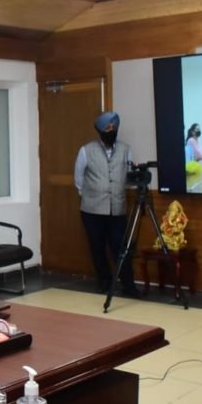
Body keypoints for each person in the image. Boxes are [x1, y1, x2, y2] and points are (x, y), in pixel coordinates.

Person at [73, 112, 140, 297]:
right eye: (107, 128)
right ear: (100, 131)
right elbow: (78, 178)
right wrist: (91, 195)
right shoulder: (86, 150)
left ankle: (128, 284)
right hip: (92, 210)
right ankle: (104, 282)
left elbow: (128, 176)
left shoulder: (126, 149)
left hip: (117, 209)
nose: (111, 131)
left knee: (121, 247)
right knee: (97, 247)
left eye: (113, 128)